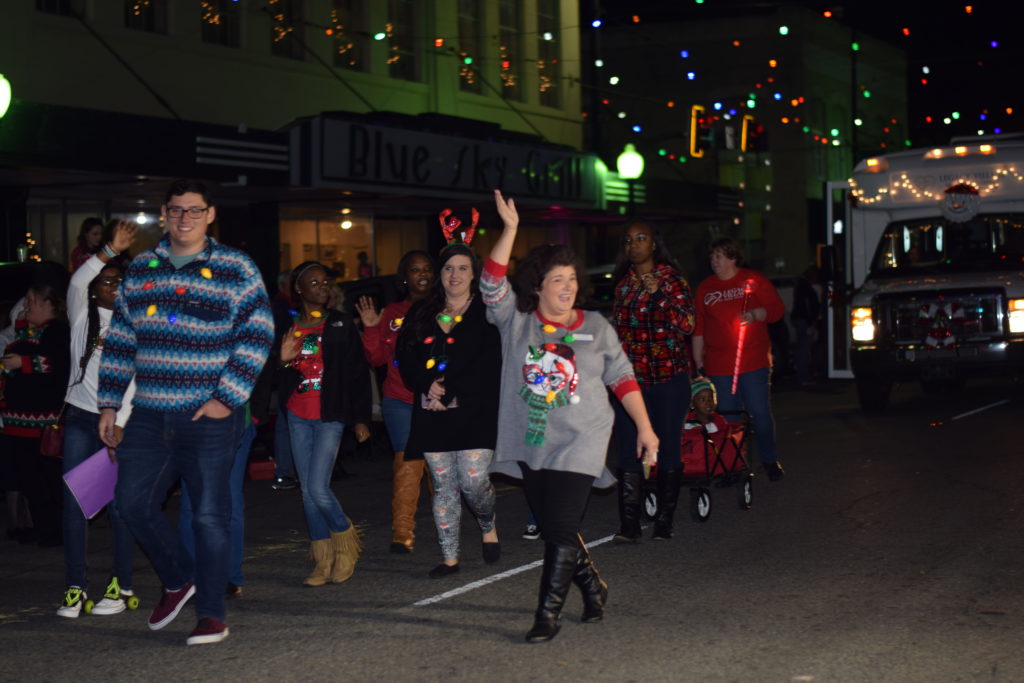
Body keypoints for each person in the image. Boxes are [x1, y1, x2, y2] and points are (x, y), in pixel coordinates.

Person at [97, 179, 274, 646]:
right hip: (150, 414)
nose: (184, 219)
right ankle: (178, 578)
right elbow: (120, 340)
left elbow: (257, 334)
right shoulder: (141, 269)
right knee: (130, 504)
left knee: (209, 517)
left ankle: (211, 615)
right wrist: (110, 403)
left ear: (210, 214)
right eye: (176, 210)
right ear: (163, 213)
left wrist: (227, 397)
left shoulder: (236, 267)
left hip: (210, 417)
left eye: (194, 211)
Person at [481, 190, 658, 643]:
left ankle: (548, 614)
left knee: (559, 528)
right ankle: (594, 588)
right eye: (557, 278)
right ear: (537, 286)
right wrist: (511, 230)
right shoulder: (515, 321)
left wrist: (644, 427)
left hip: (584, 437)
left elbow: (622, 377)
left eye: (572, 278)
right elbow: (490, 283)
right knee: (559, 527)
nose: (567, 286)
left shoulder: (596, 326)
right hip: (532, 437)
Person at [396, 227, 502, 579]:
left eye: (462, 268)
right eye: (448, 269)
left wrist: (451, 389)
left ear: (474, 274)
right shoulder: (421, 312)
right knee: (443, 486)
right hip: (431, 413)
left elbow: (489, 364)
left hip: (475, 411)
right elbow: (406, 356)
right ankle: (450, 557)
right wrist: (429, 387)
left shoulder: (487, 313)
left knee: (472, 480)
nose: (454, 275)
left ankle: (487, 523)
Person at [58, 220, 140, 618]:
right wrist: (110, 249)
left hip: (119, 423)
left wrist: (121, 422)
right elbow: (77, 280)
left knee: (121, 506)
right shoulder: (81, 316)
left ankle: (120, 583)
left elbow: (137, 382)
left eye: (118, 281)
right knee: (75, 505)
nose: (111, 285)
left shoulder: (136, 325)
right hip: (79, 418)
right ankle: (76, 586)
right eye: (105, 281)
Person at [278, 261, 372, 587]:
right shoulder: (288, 328)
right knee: (306, 492)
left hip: (329, 415)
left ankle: (345, 542)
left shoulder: (340, 324)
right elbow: (277, 377)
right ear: (299, 289)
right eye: (313, 282)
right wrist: (283, 361)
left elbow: (358, 373)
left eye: (325, 281)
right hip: (297, 414)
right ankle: (322, 558)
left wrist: (360, 418)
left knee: (317, 487)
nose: (321, 286)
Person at [610, 220, 695, 542]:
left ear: (654, 244)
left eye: (641, 238)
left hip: (668, 379)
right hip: (630, 384)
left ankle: (664, 521)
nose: (633, 244)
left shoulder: (672, 280)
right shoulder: (622, 284)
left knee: (668, 448)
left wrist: (658, 294)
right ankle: (629, 525)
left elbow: (687, 324)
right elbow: (619, 333)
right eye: (628, 240)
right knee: (629, 450)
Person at [355, 250, 435, 553]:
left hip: (438, 401)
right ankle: (402, 533)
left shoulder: (448, 308)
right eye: (415, 270)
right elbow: (375, 358)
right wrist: (372, 326)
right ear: (405, 277)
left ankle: (447, 527)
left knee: (439, 467)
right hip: (399, 399)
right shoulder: (392, 312)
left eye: (427, 268)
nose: (422, 273)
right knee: (407, 462)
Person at [692, 236, 786, 482]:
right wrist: (698, 361)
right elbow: (699, 327)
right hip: (719, 365)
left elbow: (777, 311)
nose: (714, 261)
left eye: (719, 256)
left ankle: (769, 459)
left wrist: (757, 313)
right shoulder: (705, 288)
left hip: (753, 361)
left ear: (733, 258)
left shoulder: (752, 280)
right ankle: (732, 465)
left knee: (758, 412)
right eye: (712, 256)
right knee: (727, 417)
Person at [1, 284, 71, 547]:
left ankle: (52, 532)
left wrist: (23, 363)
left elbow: (58, 363)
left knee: (44, 480)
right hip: (19, 422)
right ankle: (42, 528)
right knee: (28, 479)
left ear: (50, 304)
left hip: (40, 423)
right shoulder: (29, 332)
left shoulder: (57, 331)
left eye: (32, 300)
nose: (26, 305)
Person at [268, 270, 298, 491]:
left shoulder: (290, 306)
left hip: (288, 370)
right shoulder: (279, 308)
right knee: (286, 422)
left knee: (286, 422)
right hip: (284, 370)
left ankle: (287, 472)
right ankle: (285, 472)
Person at [791, 265, 823, 386]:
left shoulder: (801, 285)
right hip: (804, 321)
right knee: (804, 349)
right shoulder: (805, 286)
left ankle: (803, 376)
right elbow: (807, 305)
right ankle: (803, 377)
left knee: (803, 348)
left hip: (801, 319)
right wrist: (811, 322)